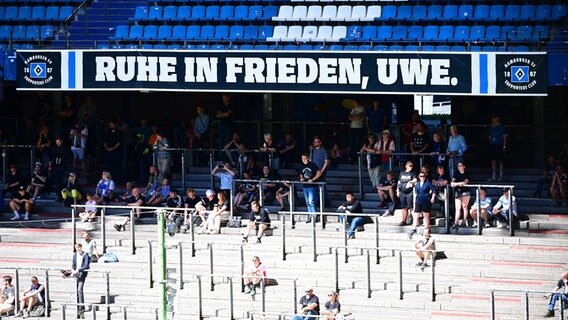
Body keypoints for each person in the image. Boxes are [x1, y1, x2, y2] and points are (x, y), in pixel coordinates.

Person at [408, 171, 436, 239]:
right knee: (416, 215)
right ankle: (414, 229)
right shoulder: (417, 184)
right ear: (419, 177)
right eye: (421, 176)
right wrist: (414, 202)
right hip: (419, 200)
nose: (422, 177)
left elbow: (434, 190)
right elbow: (416, 193)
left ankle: (426, 228)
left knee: (426, 215)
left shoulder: (428, 183)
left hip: (426, 200)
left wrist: (432, 198)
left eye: (423, 176)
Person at [299, 153, 323, 223]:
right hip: (305, 186)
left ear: (308, 158)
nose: (303, 160)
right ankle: (310, 216)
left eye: (305, 158)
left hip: (312, 186)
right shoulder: (301, 165)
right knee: (307, 202)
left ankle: (314, 216)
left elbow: (319, 173)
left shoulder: (312, 165)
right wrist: (301, 178)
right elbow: (301, 173)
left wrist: (313, 179)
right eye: (302, 159)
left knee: (311, 201)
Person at [71, 242, 90, 319]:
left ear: (81, 247)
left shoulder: (85, 254)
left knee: (79, 290)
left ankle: (81, 309)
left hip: (82, 274)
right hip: (76, 274)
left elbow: (86, 265)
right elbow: (73, 264)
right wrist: (73, 269)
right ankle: (79, 308)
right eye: (76, 248)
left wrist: (79, 269)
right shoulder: (75, 255)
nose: (78, 249)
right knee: (77, 291)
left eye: (79, 247)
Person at [450, 162, 471, 230]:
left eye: (460, 166)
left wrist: (456, 184)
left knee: (464, 207)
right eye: (458, 166)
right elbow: (452, 183)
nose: (459, 167)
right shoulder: (456, 174)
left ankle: (464, 221)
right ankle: (456, 222)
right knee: (458, 207)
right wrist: (458, 184)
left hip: (465, 192)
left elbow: (465, 182)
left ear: (464, 167)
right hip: (458, 192)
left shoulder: (466, 174)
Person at [488, 115, 508, 182]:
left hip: (500, 145)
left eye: (494, 118)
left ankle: (501, 176)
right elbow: (490, 136)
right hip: (492, 145)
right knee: (493, 160)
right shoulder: (491, 126)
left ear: (497, 118)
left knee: (500, 161)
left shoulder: (502, 127)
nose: (492, 119)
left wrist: (504, 146)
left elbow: (505, 137)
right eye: (492, 118)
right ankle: (494, 176)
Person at [396, 161, 417, 226]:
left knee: (411, 207)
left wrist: (410, 182)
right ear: (406, 166)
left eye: (412, 166)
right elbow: (399, 182)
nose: (411, 167)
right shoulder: (402, 173)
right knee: (404, 207)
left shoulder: (413, 173)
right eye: (410, 165)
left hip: (409, 192)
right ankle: (404, 220)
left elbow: (415, 180)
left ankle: (415, 221)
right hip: (402, 191)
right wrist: (397, 190)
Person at [347, 99, 366, 164]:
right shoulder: (353, 109)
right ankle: (351, 159)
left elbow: (359, 117)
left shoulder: (362, 108)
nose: (354, 104)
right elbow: (349, 117)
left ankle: (357, 159)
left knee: (357, 144)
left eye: (354, 102)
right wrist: (354, 117)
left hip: (359, 128)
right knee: (352, 144)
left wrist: (354, 117)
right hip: (352, 128)